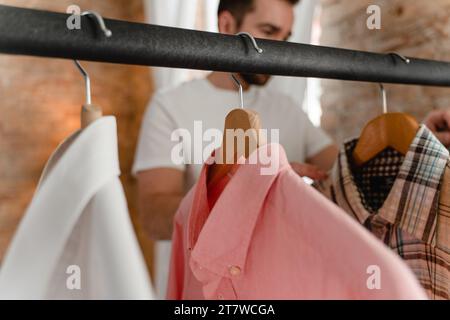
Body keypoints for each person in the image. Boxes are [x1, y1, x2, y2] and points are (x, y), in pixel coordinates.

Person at [133, 0, 450, 240]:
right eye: (268, 32)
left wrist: (412, 143)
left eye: (284, 37)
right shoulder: (170, 106)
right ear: (227, 25)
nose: (276, 50)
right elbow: (154, 217)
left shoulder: (286, 108)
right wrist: (241, 191)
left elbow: (347, 170)